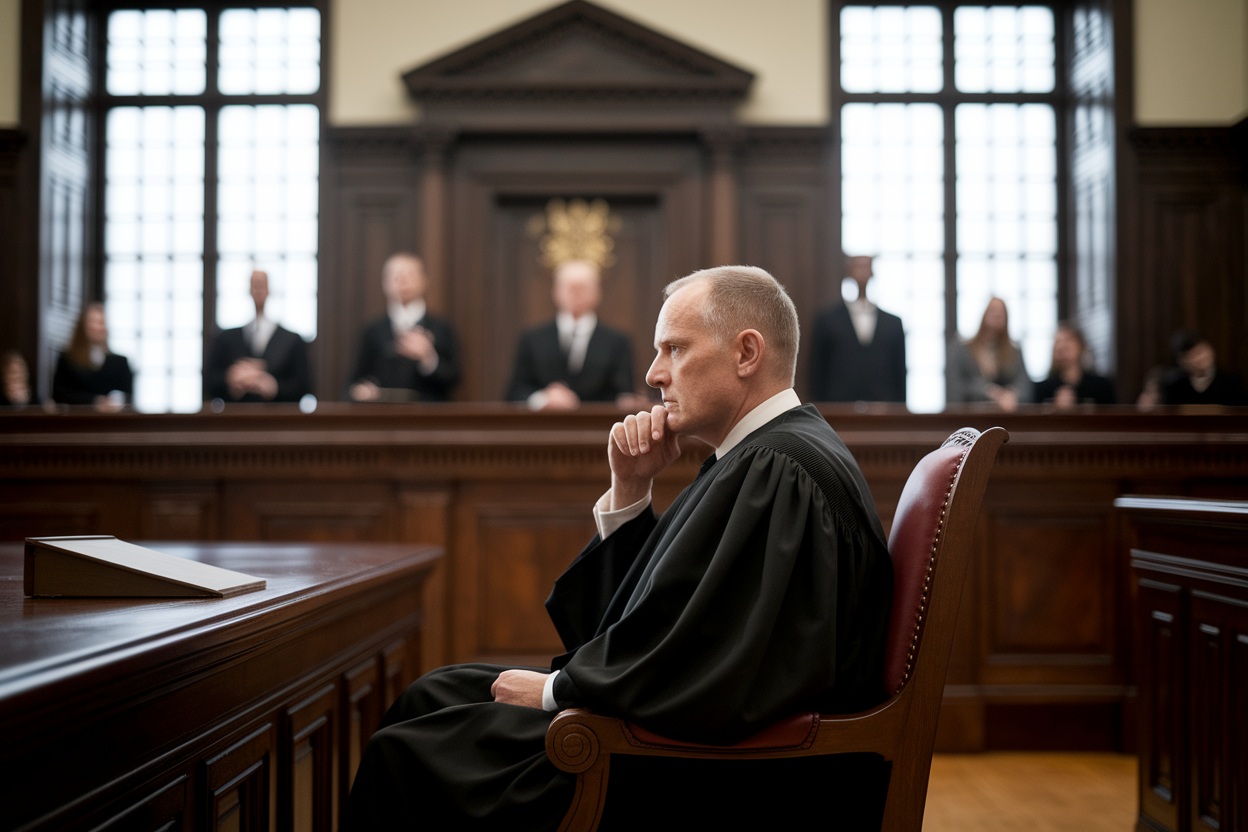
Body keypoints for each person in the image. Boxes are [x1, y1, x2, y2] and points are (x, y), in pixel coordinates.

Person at [344, 266, 895, 831]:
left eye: (675, 349)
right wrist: (630, 491)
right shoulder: (762, 456)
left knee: (404, 755)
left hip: (727, 775)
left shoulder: (779, 469)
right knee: (432, 695)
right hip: (694, 738)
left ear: (746, 353)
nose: (654, 374)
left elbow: (720, 667)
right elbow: (670, 617)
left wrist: (556, 691)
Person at [506, 259, 634, 410]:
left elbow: (624, 394)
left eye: (582, 287)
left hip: (597, 422)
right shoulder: (532, 338)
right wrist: (542, 398)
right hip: (545, 421)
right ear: (555, 292)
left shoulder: (617, 341)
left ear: (597, 293)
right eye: (569, 287)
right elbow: (515, 392)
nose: (575, 293)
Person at [347, 253, 460, 402]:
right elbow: (354, 381)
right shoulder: (373, 330)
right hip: (384, 413)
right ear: (385, 283)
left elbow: (455, 379)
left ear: (424, 280)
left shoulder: (441, 328)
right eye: (395, 276)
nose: (402, 281)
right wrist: (362, 391)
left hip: (429, 412)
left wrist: (428, 358)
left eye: (409, 275)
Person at [809, 255, 906, 403]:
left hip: (883, 406)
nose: (861, 271)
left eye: (865, 266)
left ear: (872, 272)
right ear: (848, 271)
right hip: (839, 406)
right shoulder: (828, 320)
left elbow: (900, 371)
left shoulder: (893, 323)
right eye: (857, 266)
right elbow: (817, 370)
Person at [204, 270, 311, 403]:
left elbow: (304, 386)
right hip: (236, 413)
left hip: (277, 414)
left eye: (262, 285)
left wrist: (273, 386)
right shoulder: (225, 339)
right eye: (254, 285)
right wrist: (231, 377)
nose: (258, 290)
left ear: (269, 289)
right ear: (249, 289)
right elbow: (210, 383)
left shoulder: (292, 340)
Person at [946, 297, 1031, 410]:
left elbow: (1024, 386)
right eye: (993, 311)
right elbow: (956, 387)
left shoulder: (1014, 353)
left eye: (1001, 313)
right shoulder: (963, 350)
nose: (997, 315)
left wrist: (1011, 395)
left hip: (1007, 413)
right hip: (973, 413)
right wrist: (990, 392)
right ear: (985, 314)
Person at [51, 303, 133, 410]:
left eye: (101, 322)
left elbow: (128, 396)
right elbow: (59, 395)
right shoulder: (68, 359)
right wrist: (95, 401)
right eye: (94, 322)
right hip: (79, 416)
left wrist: (115, 400)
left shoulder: (120, 362)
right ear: (83, 326)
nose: (98, 327)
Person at [1033, 323, 1115, 407]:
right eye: (1057, 342)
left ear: (1080, 345)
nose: (1061, 346)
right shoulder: (1041, 389)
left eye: (1067, 340)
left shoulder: (1101, 386)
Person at [1161, 330, 1246, 406]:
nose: (1198, 358)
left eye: (1200, 351)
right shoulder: (1176, 385)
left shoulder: (1230, 382)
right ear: (1181, 361)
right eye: (1191, 356)